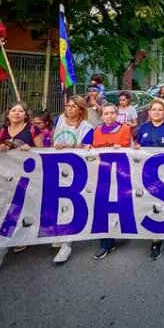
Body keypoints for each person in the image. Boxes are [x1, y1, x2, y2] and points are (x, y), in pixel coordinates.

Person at [0, 102, 44, 270]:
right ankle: (1, 252)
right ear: (8, 115)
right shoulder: (2, 131)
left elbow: (43, 151)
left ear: (26, 115)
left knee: (21, 209)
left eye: (21, 111)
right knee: (11, 210)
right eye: (13, 110)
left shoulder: (33, 130)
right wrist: (1, 148)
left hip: (29, 177)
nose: (17, 113)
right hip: (8, 178)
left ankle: (14, 243)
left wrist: (29, 148)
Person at [135, 98, 164, 260]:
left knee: (163, 203)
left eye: (160, 109)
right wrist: (135, 148)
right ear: (149, 112)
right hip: (148, 173)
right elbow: (136, 146)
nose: (156, 112)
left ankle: (161, 235)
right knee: (151, 203)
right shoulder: (144, 128)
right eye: (153, 109)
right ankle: (156, 236)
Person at [50, 96, 95, 263]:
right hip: (55, 166)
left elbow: (87, 149)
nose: (69, 109)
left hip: (75, 170)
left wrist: (70, 147)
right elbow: (52, 139)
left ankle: (67, 244)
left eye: (73, 106)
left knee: (69, 204)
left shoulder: (87, 128)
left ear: (81, 109)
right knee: (57, 202)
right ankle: (58, 234)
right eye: (67, 106)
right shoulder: (59, 120)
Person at [90, 104, 133, 259]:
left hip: (122, 175)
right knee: (103, 207)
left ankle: (126, 231)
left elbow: (134, 151)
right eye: (106, 113)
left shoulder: (125, 129)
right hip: (102, 176)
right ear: (101, 116)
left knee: (123, 204)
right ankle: (106, 243)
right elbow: (87, 151)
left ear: (117, 114)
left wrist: (122, 148)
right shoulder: (95, 131)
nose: (109, 116)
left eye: (112, 113)